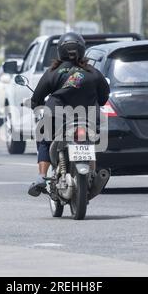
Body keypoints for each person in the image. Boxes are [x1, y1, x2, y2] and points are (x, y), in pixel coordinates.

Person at [27, 32, 110, 197]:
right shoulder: (93, 72)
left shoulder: (54, 72)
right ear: (82, 49)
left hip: (57, 118)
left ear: (60, 51)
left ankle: (42, 177)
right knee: (90, 145)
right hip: (89, 120)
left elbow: (37, 97)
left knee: (43, 138)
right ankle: (92, 176)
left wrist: (36, 104)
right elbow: (104, 96)